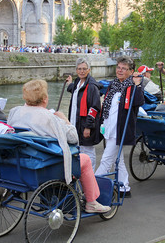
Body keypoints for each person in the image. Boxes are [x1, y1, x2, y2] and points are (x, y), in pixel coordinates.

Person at [7, 79, 111, 213]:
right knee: (84, 159)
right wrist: (65, 120)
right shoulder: (49, 117)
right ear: (44, 99)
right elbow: (73, 138)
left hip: (20, 161)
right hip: (43, 165)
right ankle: (91, 202)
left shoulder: (14, 112)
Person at [95, 56, 144, 197]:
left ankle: (91, 188)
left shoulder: (132, 86)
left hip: (120, 130)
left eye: (124, 68)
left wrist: (137, 84)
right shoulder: (114, 84)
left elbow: (139, 101)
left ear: (131, 71)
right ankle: (125, 188)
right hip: (110, 128)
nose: (120, 70)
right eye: (118, 67)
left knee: (106, 160)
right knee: (119, 159)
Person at [66, 58, 102, 170]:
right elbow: (76, 92)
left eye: (84, 69)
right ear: (76, 70)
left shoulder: (92, 86)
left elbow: (94, 108)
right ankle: (80, 172)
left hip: (85, 123)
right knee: (78, 148)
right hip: (75, 121)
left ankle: (90, 174)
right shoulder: (78, 82)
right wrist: (70, 84)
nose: (82, 71)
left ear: (89, 70)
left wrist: (88, 127)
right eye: (80, 69)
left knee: (88, 150)